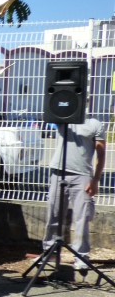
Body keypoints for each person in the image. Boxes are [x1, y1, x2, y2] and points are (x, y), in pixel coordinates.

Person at [42, 114, 106, 271]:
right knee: (54, 213)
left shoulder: (95, 124)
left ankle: (81, 256)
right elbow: (49, 111)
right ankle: (50, 252)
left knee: (82, 217)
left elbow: (101, 153)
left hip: (82, 175)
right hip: (58, 172)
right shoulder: (61, 118)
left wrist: (95, 180)